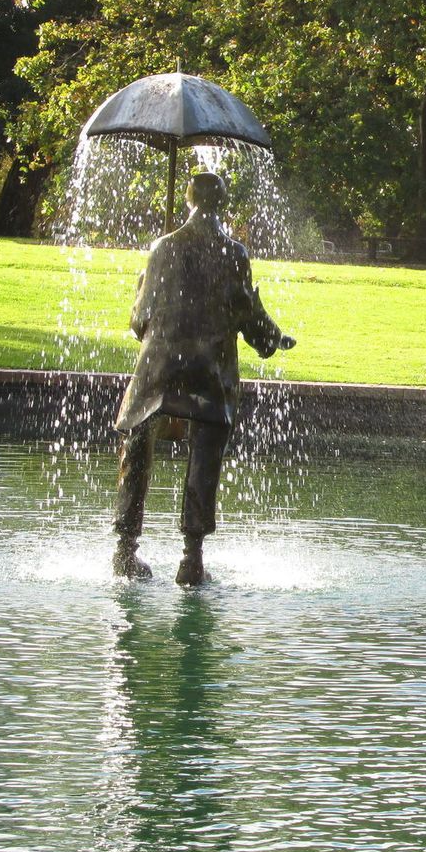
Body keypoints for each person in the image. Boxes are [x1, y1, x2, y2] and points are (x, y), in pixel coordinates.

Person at [112, 171, 294, 585]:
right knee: (206, 448)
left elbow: (139, 321)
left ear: (188, 199)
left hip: (158, 366)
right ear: (222, 204)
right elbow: (245, 311)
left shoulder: (161, 247)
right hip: (209, 367)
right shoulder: (234, 252)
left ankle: (124, 550)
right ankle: (191, 559)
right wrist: (273, 338)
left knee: (137, 444)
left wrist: (142, 288)